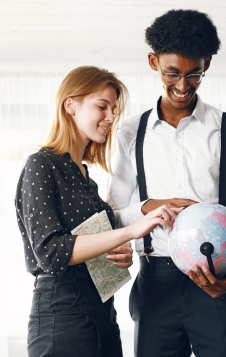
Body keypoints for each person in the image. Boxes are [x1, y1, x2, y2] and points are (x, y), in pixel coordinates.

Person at [106, 9, 226, 357]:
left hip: (220, 278)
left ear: (207, 64)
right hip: (155, 284)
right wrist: (150, 207)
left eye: (194, 74)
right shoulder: (130, 132)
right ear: (152, 62)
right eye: (171, 72)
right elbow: (113, 214)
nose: (182, 85)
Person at [15, 66, 181, 357]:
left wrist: (118, 251)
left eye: (114, 109)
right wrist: (130, 231)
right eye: (101, 106)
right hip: (62, 312)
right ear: (70, 105)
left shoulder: (86, 177)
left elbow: (90, 246)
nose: (111, 117)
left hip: (102, 311)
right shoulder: (40, 165)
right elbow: (52, 252)